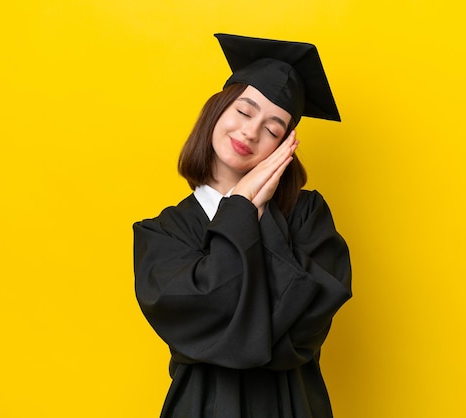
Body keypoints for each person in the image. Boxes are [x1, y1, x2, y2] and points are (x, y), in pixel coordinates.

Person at [133, 33, 352, 418]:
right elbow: (200, 325)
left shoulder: (307, 215)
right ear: (216, 110)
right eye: (245, 111)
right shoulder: (162, 234)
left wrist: (256, 210)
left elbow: (302, 331)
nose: (251, 132)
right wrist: (240, 206)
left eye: (273, 129)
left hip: (294, 406)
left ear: (285, 146)